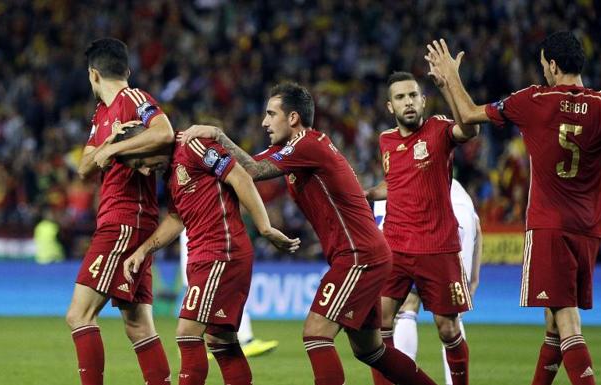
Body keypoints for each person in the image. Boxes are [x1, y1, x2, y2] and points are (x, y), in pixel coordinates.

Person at [181, 82, 440, 385]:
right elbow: (248, 165)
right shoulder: (291, 148)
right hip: (363, 253)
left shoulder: (307, 143)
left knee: (316, 333)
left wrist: (219, 136)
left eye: (270, 114)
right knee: (371, 351)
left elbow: (251, 171)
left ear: (292, 118)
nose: (264, 122)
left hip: (358, 255)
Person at [425, 31, 601, 385]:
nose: (543, 72)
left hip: (549, 227)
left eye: (544, 65)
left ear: (552, 65)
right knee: (553, 324)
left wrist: (450, 77)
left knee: (567, 321)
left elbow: (467, 114)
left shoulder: (534, 100)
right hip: (589, 229)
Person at [119, 126, 299, 385]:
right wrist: (143, 250)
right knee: (221, 341)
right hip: (203, 256)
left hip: (221, 251)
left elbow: (240, 177)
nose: (146, 171)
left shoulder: (192, 145)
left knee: (187, 333)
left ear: (147, 145)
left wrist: (264, 227)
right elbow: (176, 218)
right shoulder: (170, 173)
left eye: (141, 162)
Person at [65, 38, 175, 385]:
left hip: (125, 220)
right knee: (137, 324)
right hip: (127, 222)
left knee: (79, 315)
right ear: (124, 68)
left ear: (92, 75)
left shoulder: (135, 99)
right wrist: (110, 143)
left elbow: (165, 132)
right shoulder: (102, 114)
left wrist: (115, 147)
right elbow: (85, 166)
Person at [365, 71, 479, 385]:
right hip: (396, 248)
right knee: (378, 326)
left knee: (448, 329)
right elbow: (397, 183)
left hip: (437, 248)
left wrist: (450, 85)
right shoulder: (385, 141)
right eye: (400, 98)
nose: (408, 102)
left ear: (423, 100)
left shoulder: (440, 130)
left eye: (413, 95)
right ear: (391, 107)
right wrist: (369, 194)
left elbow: (470, 128)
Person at [373, 179, 482, 385]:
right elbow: (475, 225)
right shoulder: (454, 186)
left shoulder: (389, 189)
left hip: (424, 230)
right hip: (452, 227)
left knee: (406, 307)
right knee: (451, 321)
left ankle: (402, 379)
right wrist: (474, 278)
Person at [179, 229, 279, 358]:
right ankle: (191, 346)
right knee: (221, 296)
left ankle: (243, 339)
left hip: (207, 248)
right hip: (204, 249)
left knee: (223, 297)